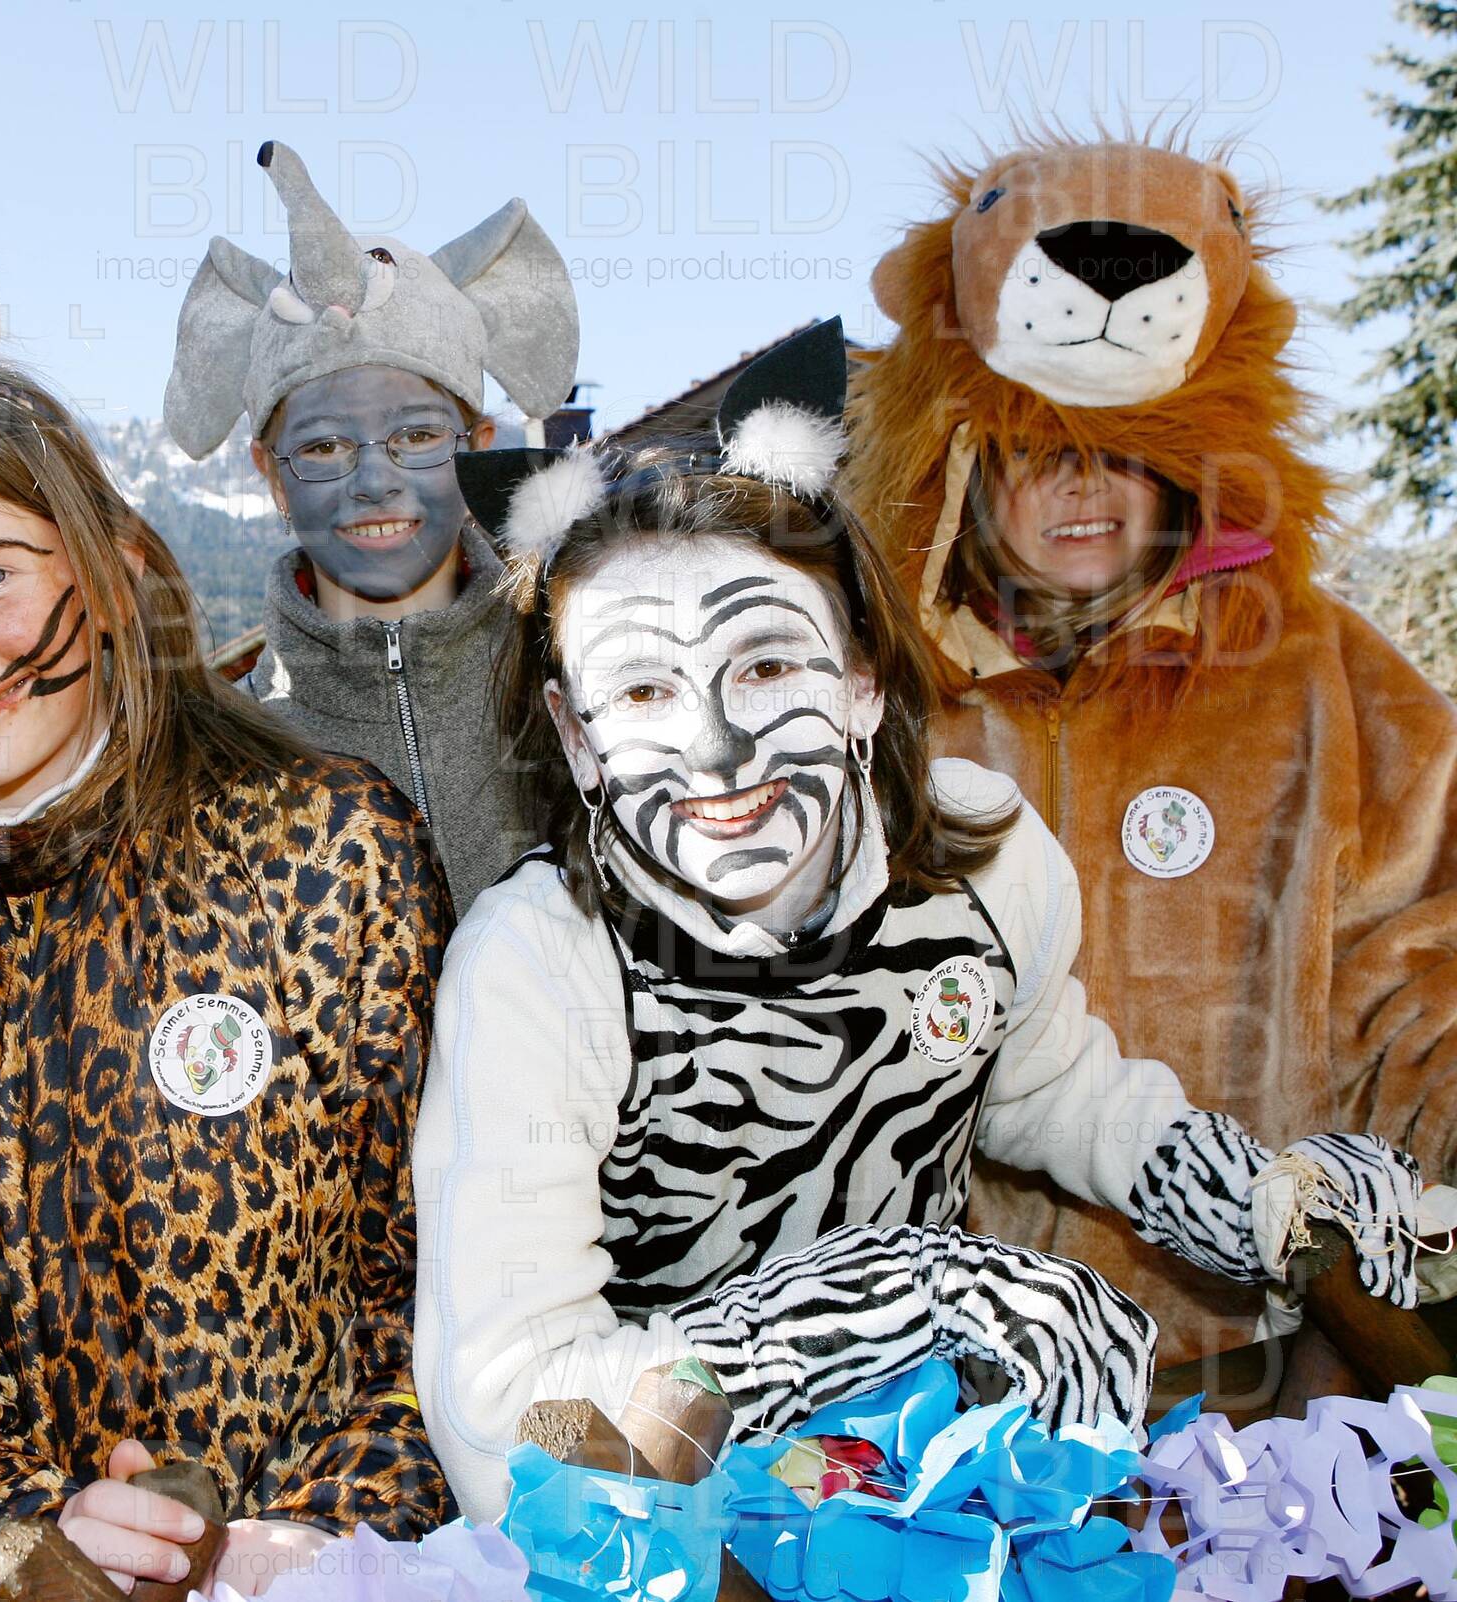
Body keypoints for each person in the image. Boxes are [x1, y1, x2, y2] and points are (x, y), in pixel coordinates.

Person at [412, 320, 1455, 1520]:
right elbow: (507, 1427)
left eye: (765, 667)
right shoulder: (540, 965)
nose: (715, 747)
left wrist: (1252, 1197)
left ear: (864, 681)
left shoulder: (986, 861)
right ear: (577, 737)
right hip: (666, 1527)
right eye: (643, 690)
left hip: (941, 1487)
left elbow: (1045, 1084)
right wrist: (898, 1299)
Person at [0, 238, 454, 1600]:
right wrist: (25, 1547)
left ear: (109, 578)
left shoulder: (334, 848)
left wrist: (330, 1538)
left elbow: (431, 1286)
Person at [843, 134, 1457, 1389]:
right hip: (949, 1383)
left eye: (1128, 451)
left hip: (1264, 1361)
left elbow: (1421, 972)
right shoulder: (875, 694)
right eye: (1039, 449)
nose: (1086, 487)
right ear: (964, 463)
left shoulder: (1320, 675)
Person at [164, 141, 580, 916]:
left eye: (417, 435)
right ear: (271, 475)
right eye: (323, 447)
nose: (374, 479)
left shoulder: (578, 687)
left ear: (477, 447)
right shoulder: (219, 759)